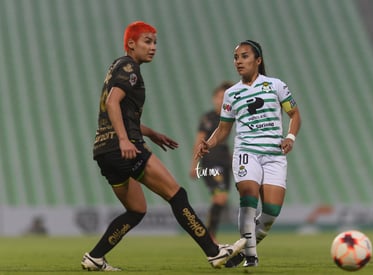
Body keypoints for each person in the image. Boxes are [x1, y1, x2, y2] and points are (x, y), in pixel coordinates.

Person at [81, 21, 246, 271]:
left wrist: (152, 133)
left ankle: (94, 257)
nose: (153, 47)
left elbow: (122, 114)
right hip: (124, 148)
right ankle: (214, 252)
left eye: (155, 42)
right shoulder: (129, 66)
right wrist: (126, 140)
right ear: (131, 44)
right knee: (176, 194)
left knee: (136, 210)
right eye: (147, 41)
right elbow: (114, 103)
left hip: (104, 152)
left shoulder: (116, 67)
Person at [195, 40, 301, 268]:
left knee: (271, 212)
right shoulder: (232, 94)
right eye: (236, 58)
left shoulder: (276, 85)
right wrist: (209, 143)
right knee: (248, 193)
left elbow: (295, 115)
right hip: (246, 152)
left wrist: (290, 138)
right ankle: (251, 257)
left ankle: (243, 248)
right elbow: (223, 129)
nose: (239, 62)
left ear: (258, 60)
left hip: (274, 154)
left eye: (244, 56)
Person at [189, 81, 233, 241]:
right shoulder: (208, 118)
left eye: (224, 97)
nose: (220, 100)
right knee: (220, 197)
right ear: (214, 98)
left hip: (224, 162)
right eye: (218, 96)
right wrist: (194, 165)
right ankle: (210, 235)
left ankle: (209, 233)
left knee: (220, 199)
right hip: (210, 162)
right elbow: (199, 141)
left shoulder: (230, 116)